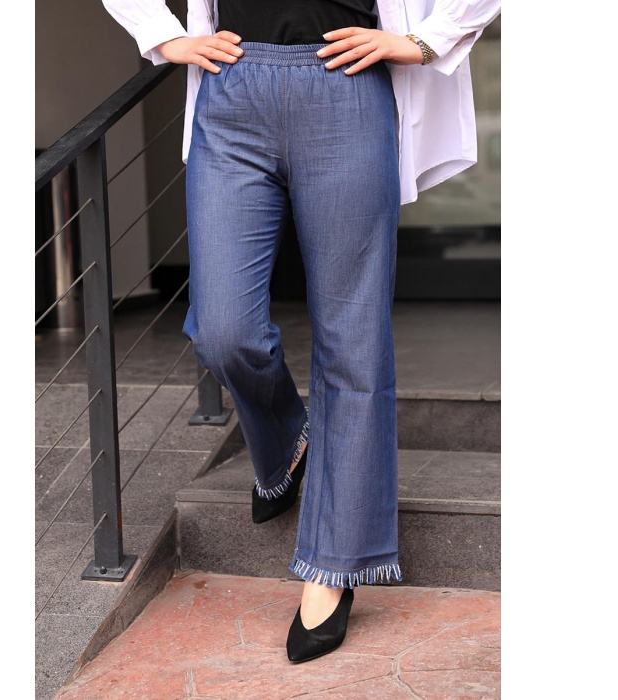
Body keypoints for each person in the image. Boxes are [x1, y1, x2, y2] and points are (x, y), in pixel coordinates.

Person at [101, 0, 501, 664]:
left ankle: (334, 563)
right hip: (232, 88)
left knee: (352, 338)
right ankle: (287, 438)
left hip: (345, 84)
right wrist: (161, 36)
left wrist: (428, 40)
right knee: (223, 328)